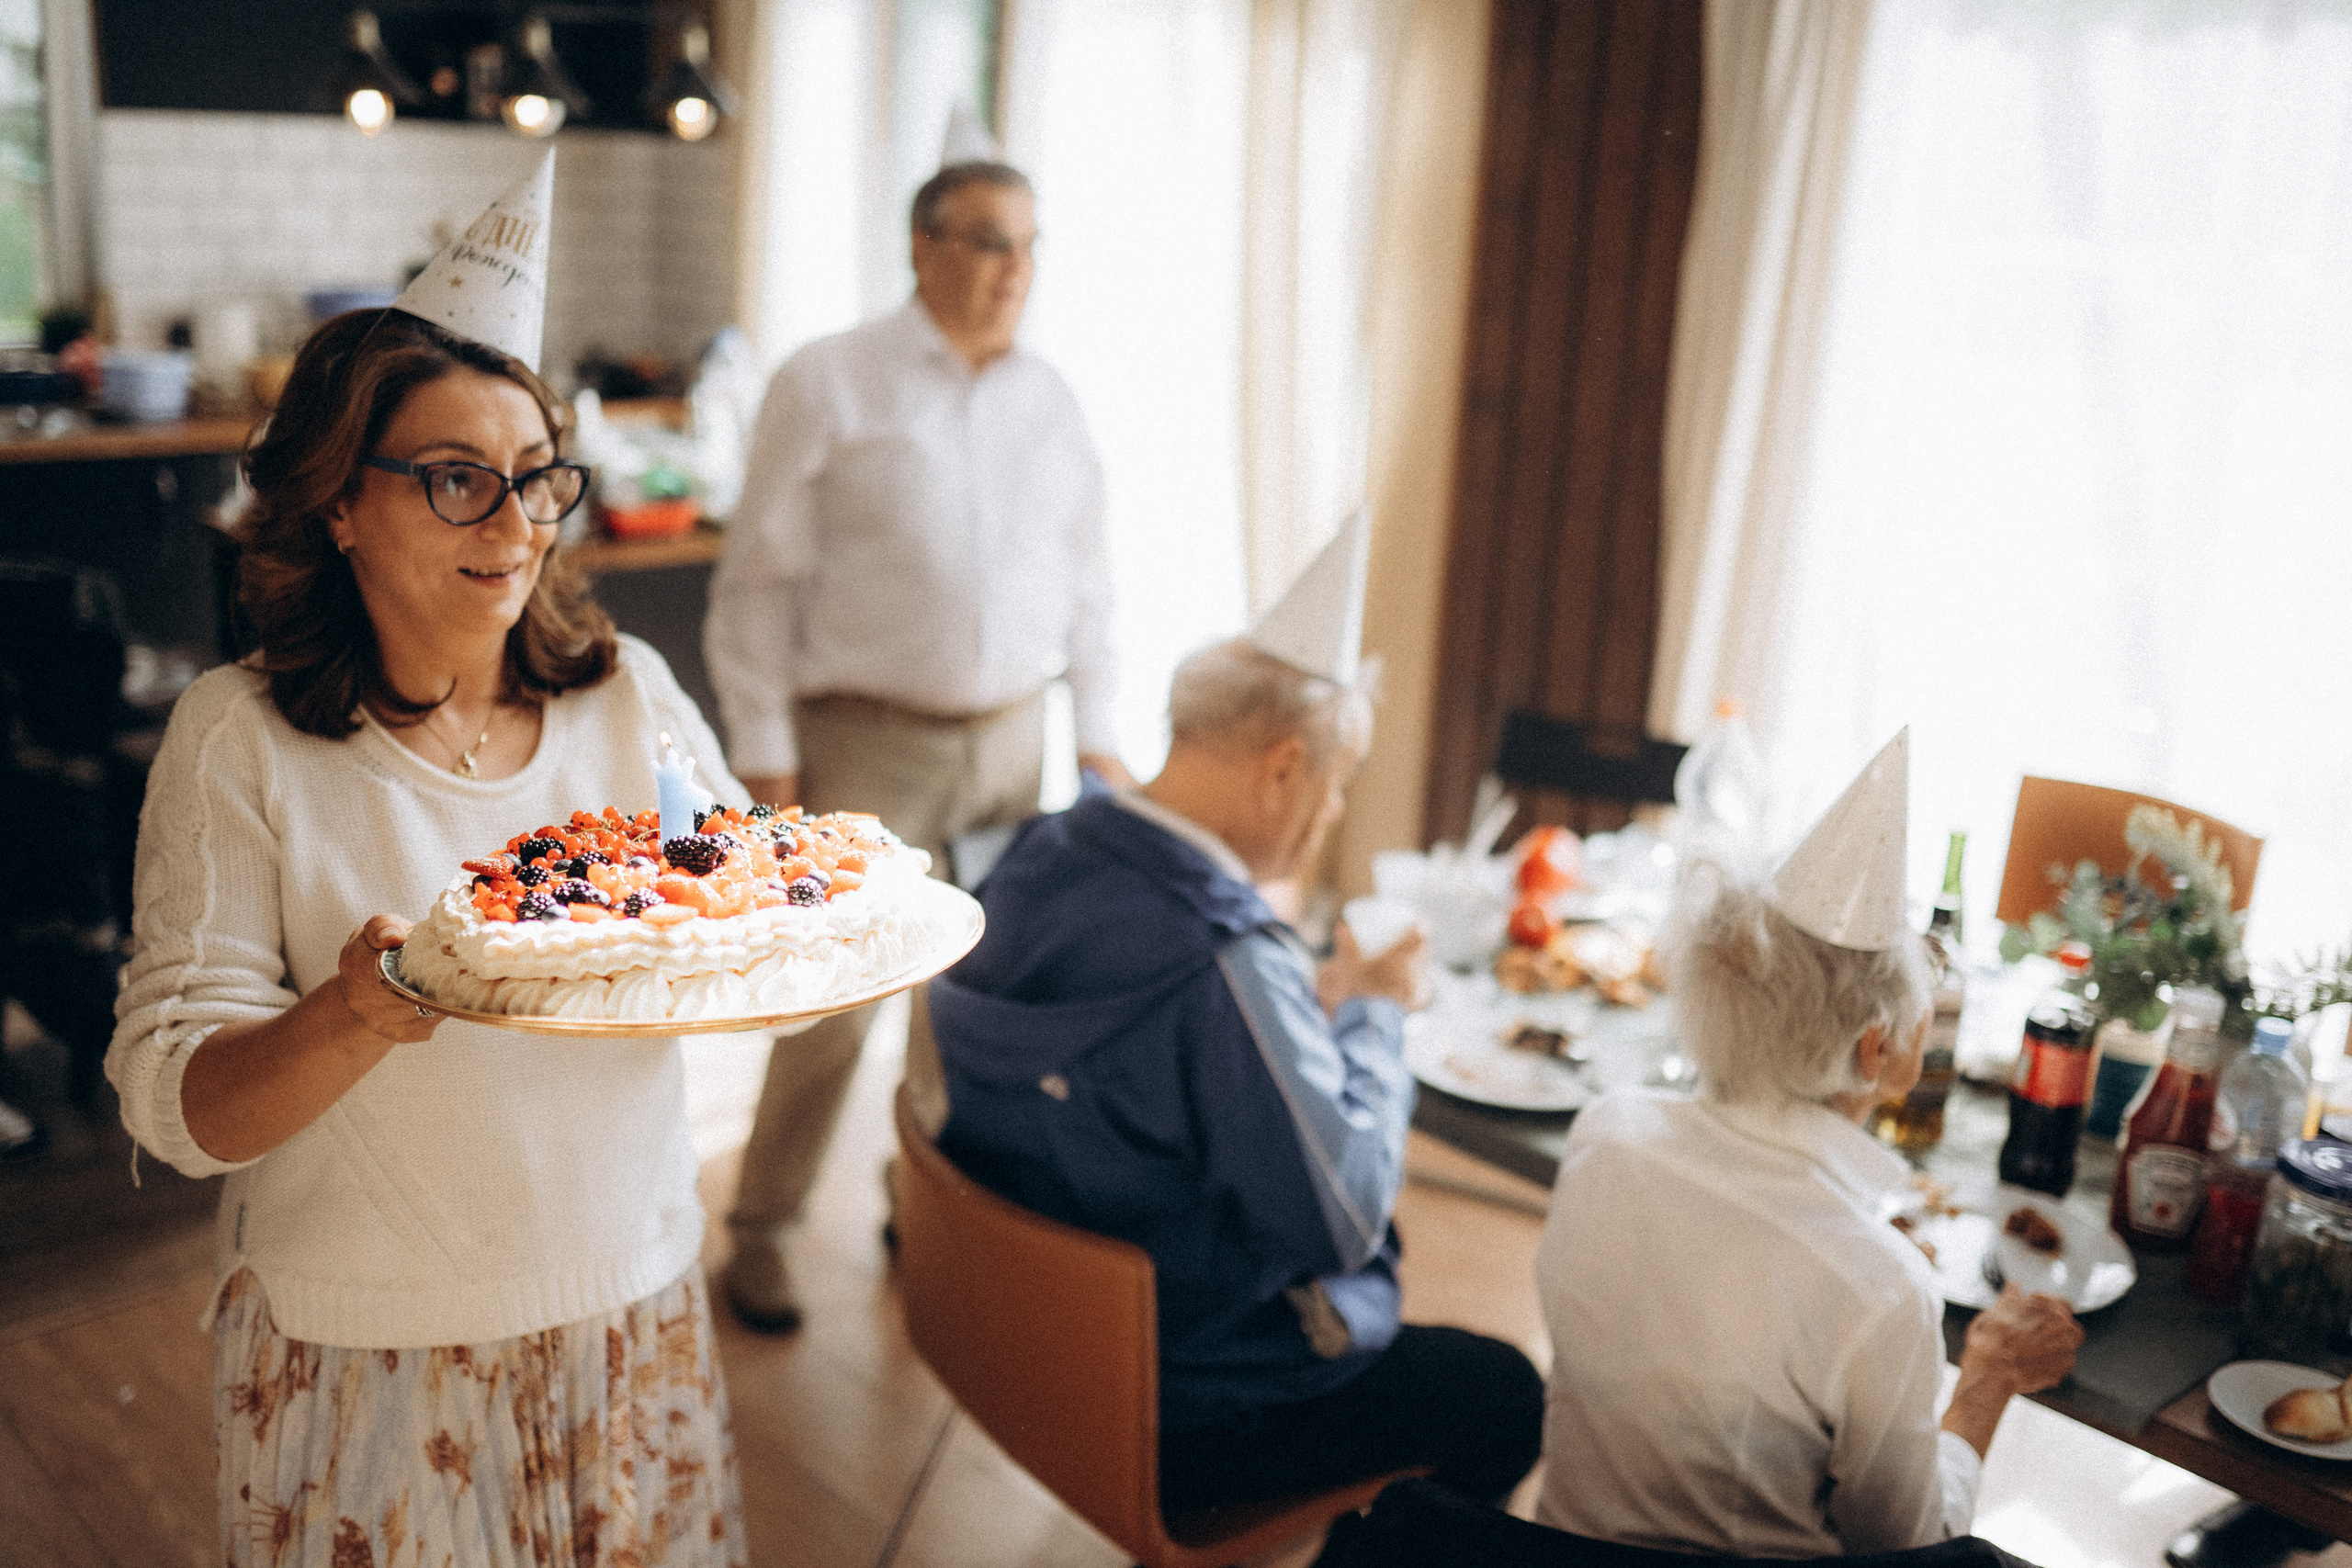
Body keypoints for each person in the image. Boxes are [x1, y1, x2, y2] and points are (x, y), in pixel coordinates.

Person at [106, 155, 746, 1568]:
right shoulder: (243, 741)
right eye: (458, 481)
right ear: (339, 502)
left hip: (627, 1297)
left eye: (535, 481)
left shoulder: (628, 693)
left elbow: (748, 916)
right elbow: (179, 1107)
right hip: (369, 1340)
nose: (515, 530)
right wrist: (354, 1009)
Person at [929, 523, 1545, 1518]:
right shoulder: (1228, 963)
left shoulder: (1037, 852)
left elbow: (1129, 1060)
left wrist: (1312, 1010)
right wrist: (1376, 1013)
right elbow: (1343, 1219)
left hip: (1022, 1350)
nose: (1334, 808)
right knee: (1506, 1393)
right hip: (1189, 1412)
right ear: (1281, 769)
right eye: (1338, 781)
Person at [703, 128, 1127, 1333]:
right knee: (834, 1006)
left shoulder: (1052, 399)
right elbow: (757, 584)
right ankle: (763, 1230)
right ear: (923, 244)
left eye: (1031, 246)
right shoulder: (829, 378)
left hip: (1009, 741)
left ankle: (924, 1204)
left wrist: (1100, 737)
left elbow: (1091, 583)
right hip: (860, 744)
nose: (1015, 269)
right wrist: (767, 752)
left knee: (970, 1003)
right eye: (991, 242)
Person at [1534, 730, 2083, 1557]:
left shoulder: (1604, 1134)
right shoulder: (1878, 1284)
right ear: (1879, 1050)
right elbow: (1907, 1545)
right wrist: (1987, 1382)